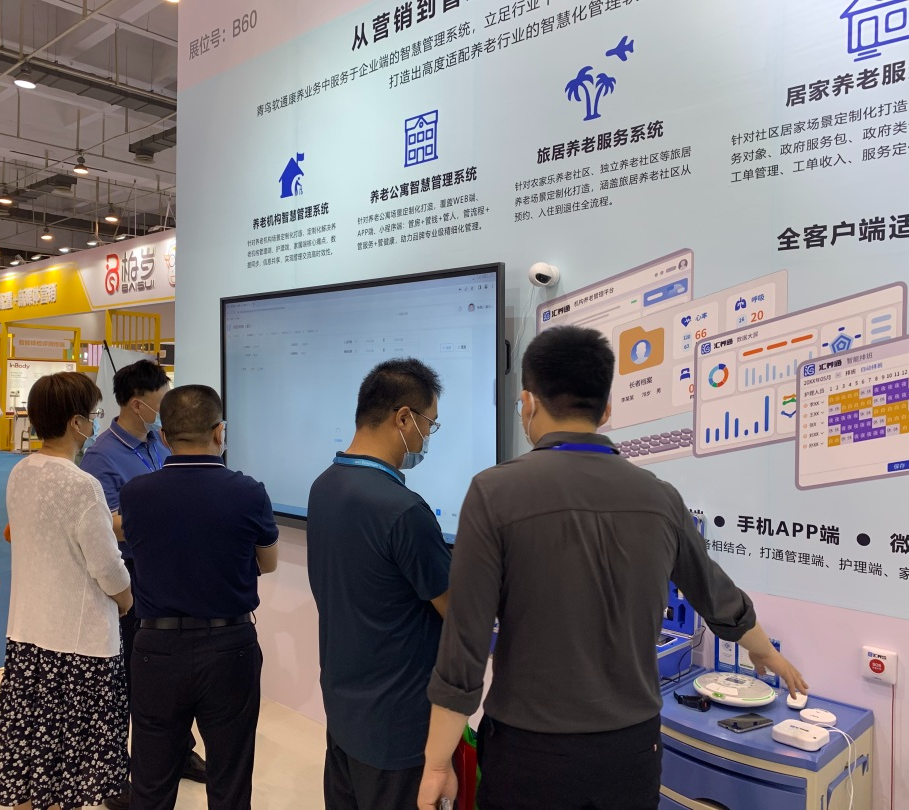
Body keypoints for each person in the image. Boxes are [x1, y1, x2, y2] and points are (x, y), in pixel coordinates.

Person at [418, 325, 809, 810]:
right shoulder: (661, 498)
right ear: (606, 410)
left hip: (530, 752)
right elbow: (716, 596)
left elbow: (465, 646)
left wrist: (437, 764)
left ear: (528, 403)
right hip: (631, 751)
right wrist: (766, 652)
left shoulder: (492, 492)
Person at [120, 384, 279, 810]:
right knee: (230, 782)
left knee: (151, 784)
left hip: (155, 649)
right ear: (219, 431)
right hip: (230, 647)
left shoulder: (135, 494)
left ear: (164, 437)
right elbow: (268, 563)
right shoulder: (249, 492)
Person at [307, 358, 451, 810]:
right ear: (403, 418)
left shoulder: (324, 485)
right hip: (397, 726)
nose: (427, 437)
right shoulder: (403, 510)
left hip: (344, 709)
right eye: (429, 423)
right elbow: (457, 610)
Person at [0, 372, 133, 810]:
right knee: (71, 765)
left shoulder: (21, 472)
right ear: (77, 422)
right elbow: (107, 567)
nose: (96, 422)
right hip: (79, 645)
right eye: (94, 414)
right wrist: (127, 599)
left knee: (32, 755)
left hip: (28, 633)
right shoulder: (82, 486)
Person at [81, 359, 206, 810]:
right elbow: (106, 524)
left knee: (174, 669)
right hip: (130, 577)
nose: (166, 408)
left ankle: (180, 751)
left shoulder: (159, 441)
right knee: (131, 677)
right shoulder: (101, 456)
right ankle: (119, 774)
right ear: (138, 404)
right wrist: (164, 515)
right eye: (160, 401)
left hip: (169, 569)